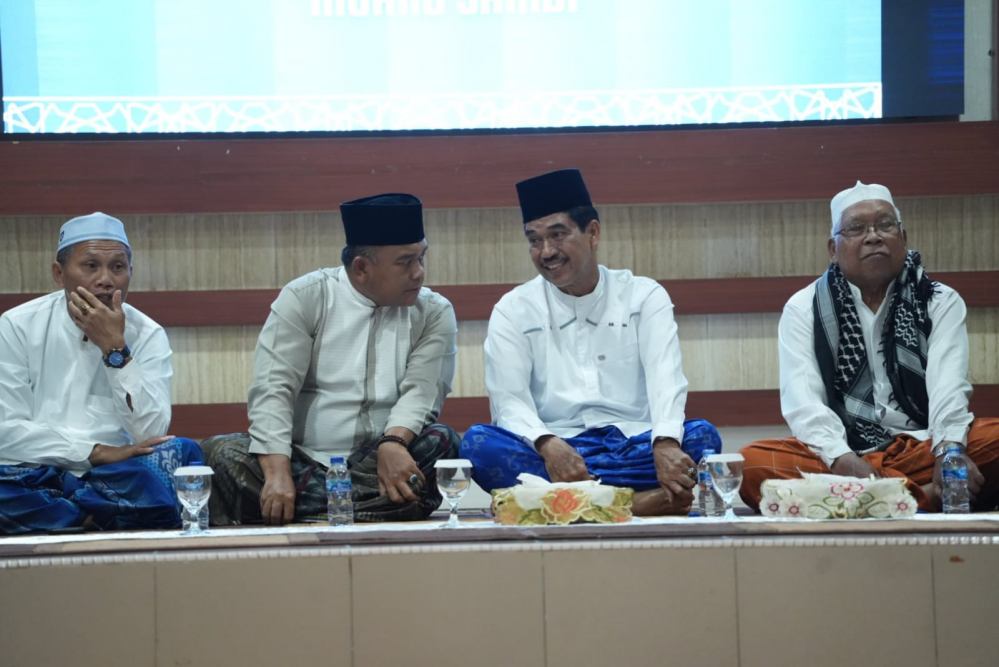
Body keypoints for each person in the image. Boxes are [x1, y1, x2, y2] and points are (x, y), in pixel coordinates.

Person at [460, 169, 721, 515]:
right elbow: (509, 401)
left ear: (593, 232)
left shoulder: (643, 296)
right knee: (478, 444)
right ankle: (635, 503)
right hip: (558, 452)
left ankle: (564, 503)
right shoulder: (513, 309)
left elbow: (665, 377)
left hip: (633, 445)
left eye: (558, 235)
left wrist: (665, 442)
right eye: (534, 240)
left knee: (703, 437)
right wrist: (548, 444)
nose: (546, 252)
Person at [739, 181, 999, 512]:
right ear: (833, 249)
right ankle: (923, 498)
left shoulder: (938, 301)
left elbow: (948, 388)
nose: (873, 236)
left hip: (922, 446)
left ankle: (864, 500)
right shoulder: (803, 308)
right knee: (752, 464)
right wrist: (843, 460)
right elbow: (804, 403)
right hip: (842, 453)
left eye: (885, 225)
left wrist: (948, 450)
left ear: (903, 237)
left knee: (988, 441)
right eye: (856, 228)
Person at [202, 193, 460, 525]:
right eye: (405, 262)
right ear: (362, 268)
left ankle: (306, 513)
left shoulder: (434, 311)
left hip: (383, 460)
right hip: (304, 461)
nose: (419, 273)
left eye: (421, 257)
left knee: (442, 442)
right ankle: (361, 510)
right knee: (222, 453)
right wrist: (277, 473)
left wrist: (394, 442)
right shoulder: (306, 297)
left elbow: (423, 393)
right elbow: (273, 389)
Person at [0, 212, 202, 534]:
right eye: (91, 266)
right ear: (59, 273)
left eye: (117, 267)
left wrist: (115, 349)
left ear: (131, 273)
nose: (106, 279)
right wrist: (92, 453)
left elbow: (150, 431)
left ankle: (66, 515)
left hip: (117, 474)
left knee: (183, 453)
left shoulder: (148, 333)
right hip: (34, 468)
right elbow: (6, 431)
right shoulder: (17, 326)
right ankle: (97, 515)